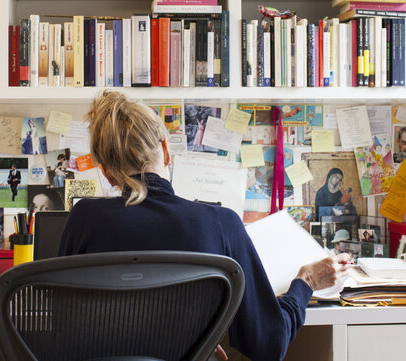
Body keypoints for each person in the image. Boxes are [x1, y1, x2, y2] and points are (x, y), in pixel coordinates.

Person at [59, 90, 351, 361]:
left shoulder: (83, 219)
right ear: (165, 149)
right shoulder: (219, 223)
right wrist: (305, 283)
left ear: (107, 173)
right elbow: (269, 343)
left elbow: (70, 321)